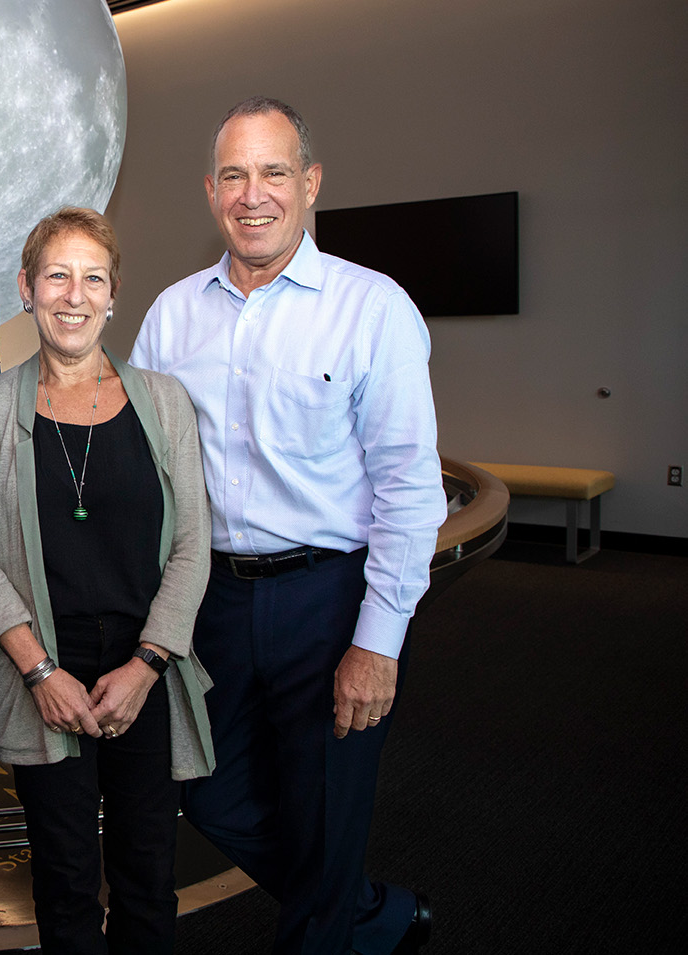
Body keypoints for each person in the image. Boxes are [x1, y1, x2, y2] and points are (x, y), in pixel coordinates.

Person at [130, 97, 445, 955]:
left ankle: (333, 920)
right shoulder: (170, 316)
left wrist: (376, 643)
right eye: (233, 174)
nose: (252, 193)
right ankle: (367, 913)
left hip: (329, 601)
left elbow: (408, 488)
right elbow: (151, 476)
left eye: (273, 172)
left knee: (323, 807)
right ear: (209, 190)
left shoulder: (370, 306)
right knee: (211, 794)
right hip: (214, 603)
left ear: (309, 184)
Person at [0, 207, 214, 955]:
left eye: (92, 277)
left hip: (146, 668)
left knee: (146, 875)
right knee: (65, 880)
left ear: (113, 295)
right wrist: (39, 671)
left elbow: (193, 544)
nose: (73, 295)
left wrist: (144, 666)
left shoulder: (164, 401)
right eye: (56, 276)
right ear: (27, 288)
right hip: (44, 668)